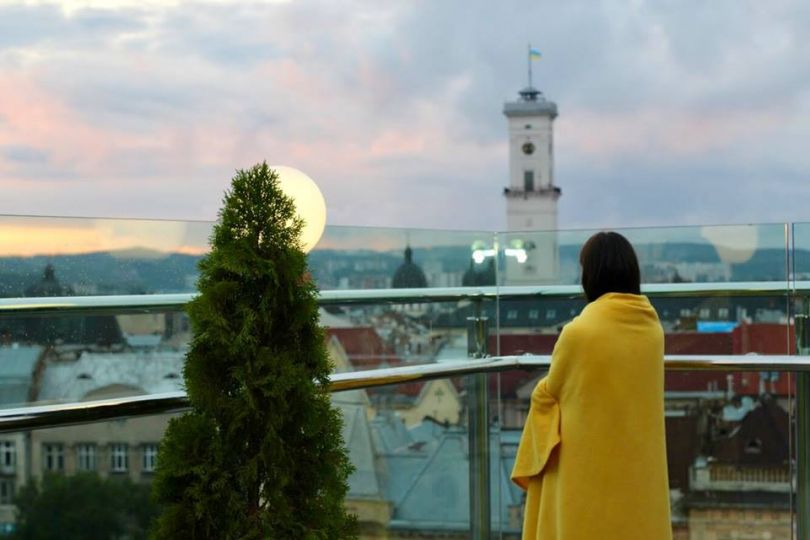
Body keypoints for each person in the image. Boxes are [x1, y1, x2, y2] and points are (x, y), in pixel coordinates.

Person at [512, 231, 672, 539]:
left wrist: (539, 392)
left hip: (585, 468)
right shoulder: (653, 330)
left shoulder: (579, 333)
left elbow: (553, 391)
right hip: (638, 467)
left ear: (592, 274)